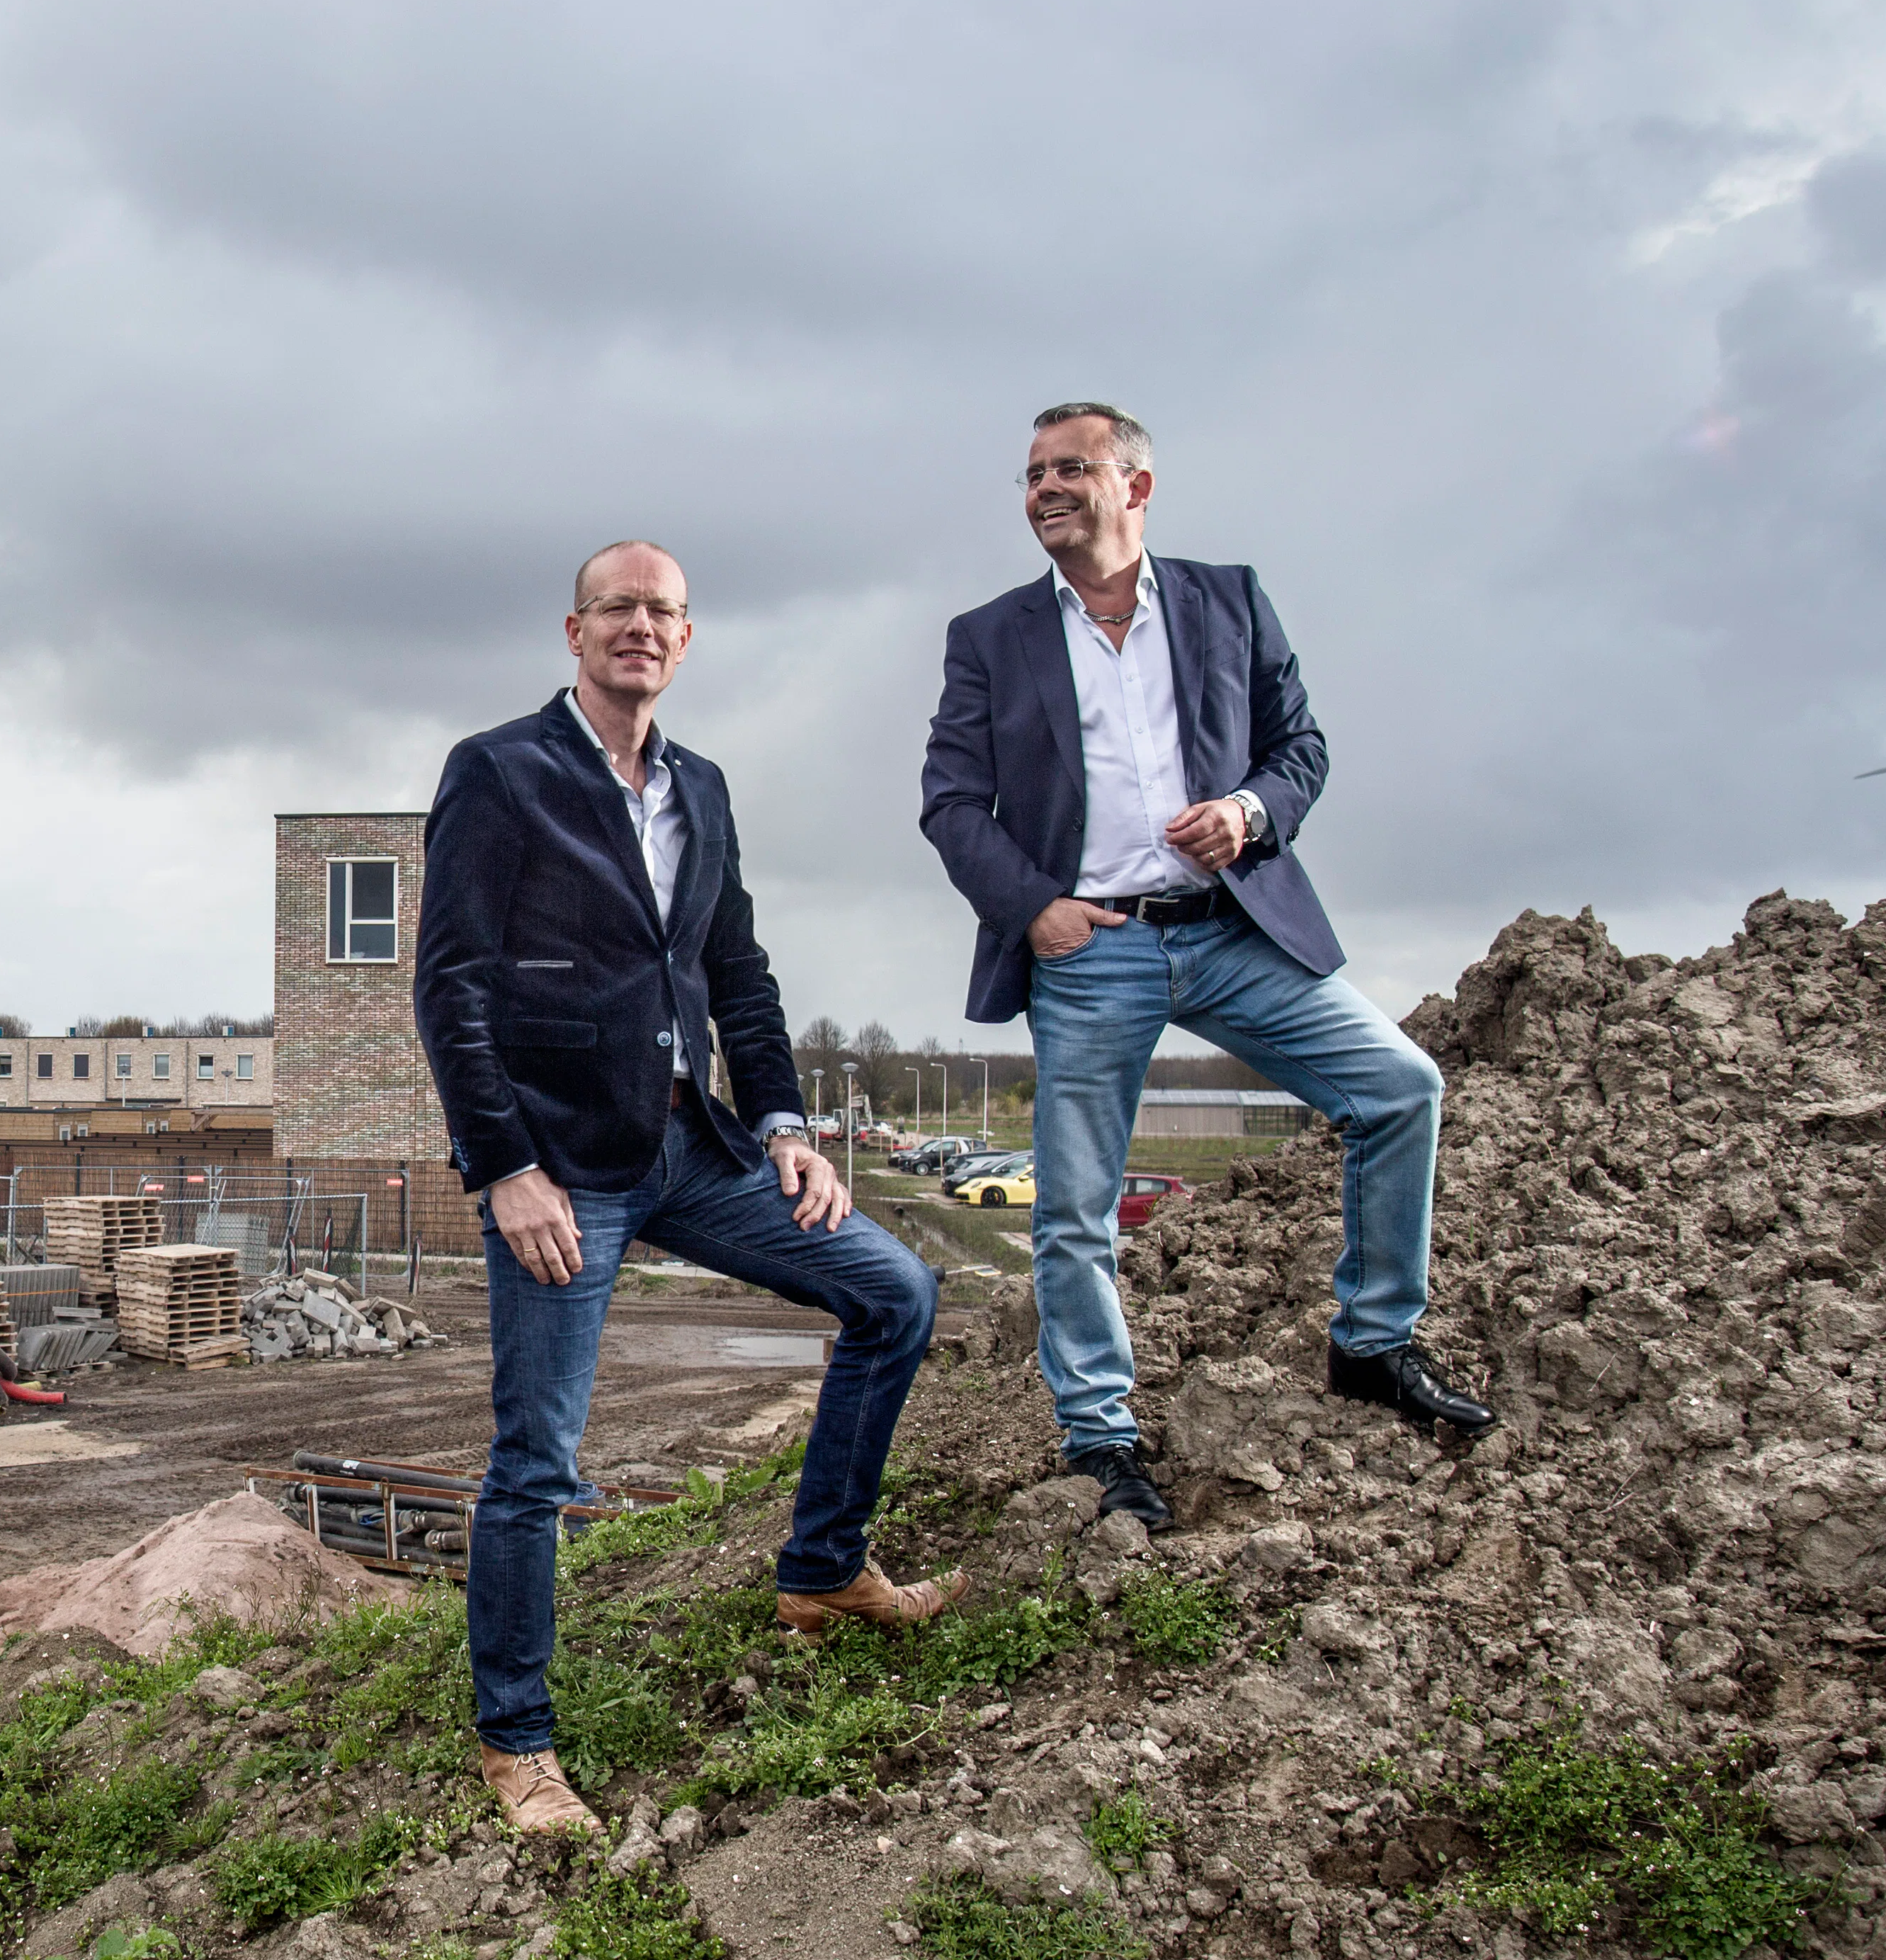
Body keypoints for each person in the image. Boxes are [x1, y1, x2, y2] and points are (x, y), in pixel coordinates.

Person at [418, 540, 950, 1837]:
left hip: (691, 1147)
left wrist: (786, 1127)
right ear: (575, 630)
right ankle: (516, 1743)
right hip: (563, 1171)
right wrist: (505, 1169)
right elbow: (453, 989)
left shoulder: (700, 787)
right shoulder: (501, 771)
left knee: (896, 1294)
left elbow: (739, 976)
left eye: (663, 611)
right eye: (618, 608)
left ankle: (822, 1570)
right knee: (537, 1460)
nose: (640, 627)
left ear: (687, 638)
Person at [919, 403, 1489, 1534]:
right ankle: (1101, 1438)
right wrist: (1035, 909)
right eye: (1032, 475)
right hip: (1095, 951)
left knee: (1400, 1088)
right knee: (1075, 1211)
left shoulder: (1229, 600)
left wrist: (1247, 812)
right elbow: (950, 804)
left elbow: (1301, 748)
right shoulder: (990, 636)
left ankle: (1374, 1343)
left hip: (1233, 930)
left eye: (1071, 469)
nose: (1045, 489)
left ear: (1136, 487)